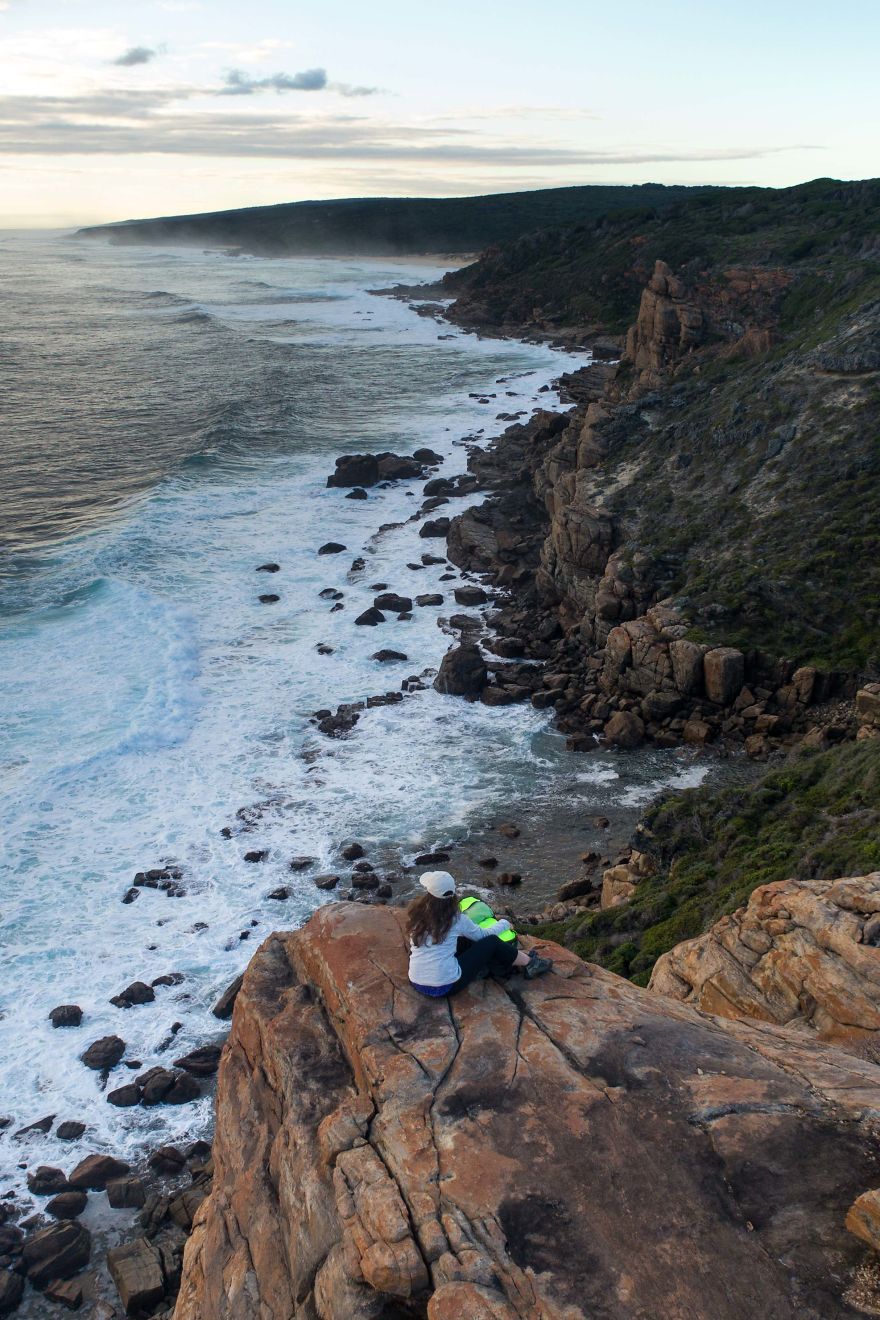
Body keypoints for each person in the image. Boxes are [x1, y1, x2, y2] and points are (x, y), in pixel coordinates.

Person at [407, 870, 551, 997]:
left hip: (416, 980)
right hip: (445, 986)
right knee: (492, 942)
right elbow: (484, 936)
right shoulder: (455, 918)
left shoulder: (417, 913)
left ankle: (502, 964)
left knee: (463, 941)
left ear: (429, 892)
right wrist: (504, 924)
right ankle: (531, 964)